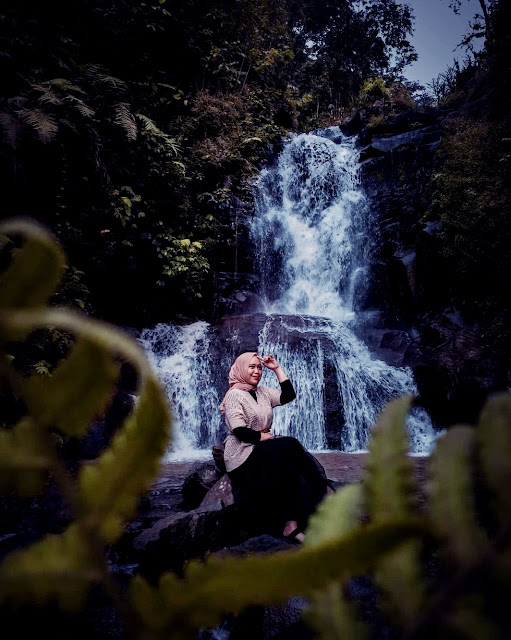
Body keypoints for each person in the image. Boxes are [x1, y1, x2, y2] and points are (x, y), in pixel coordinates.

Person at [220, 351, 333, 543]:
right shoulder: (234, 396)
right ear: (240, 368)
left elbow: (289, 395)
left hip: (264, 448)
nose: (257, 371)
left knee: (288, 460)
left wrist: (277, 368)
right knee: (289, 444)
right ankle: (324, 491)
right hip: (242, 454)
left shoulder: (262, 392)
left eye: (259, 368)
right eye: (251, 367)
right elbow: (240, 431)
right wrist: (264, 436)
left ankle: (291, 525)